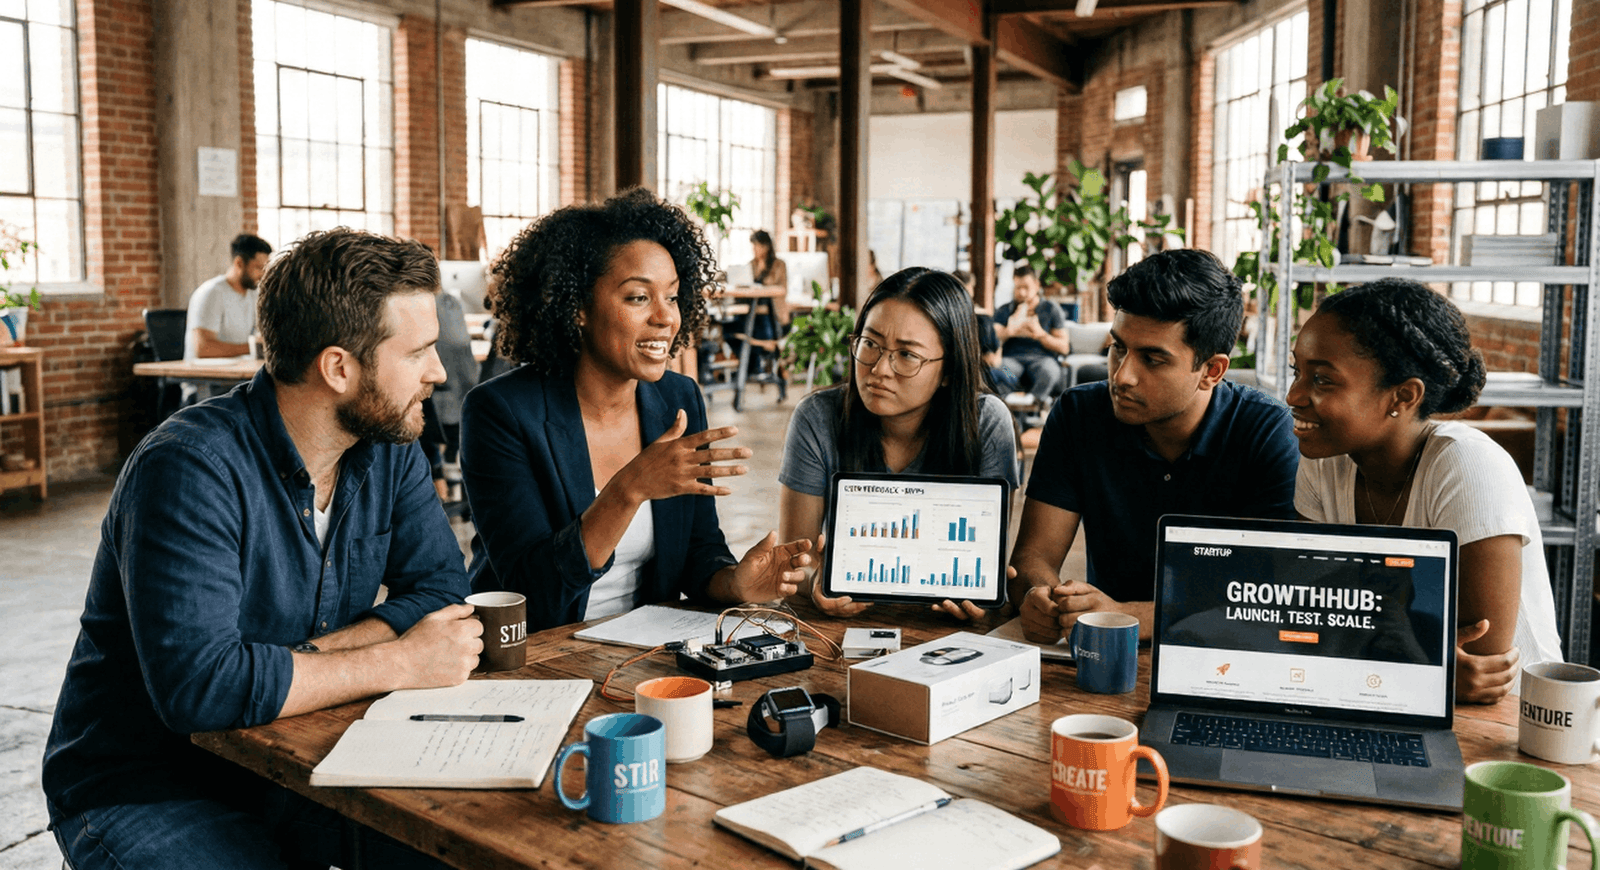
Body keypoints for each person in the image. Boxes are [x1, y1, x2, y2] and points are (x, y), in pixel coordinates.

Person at [43, 229, 481, 870]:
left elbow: (443, 591)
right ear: (338, 368)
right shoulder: (189, 468)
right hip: (151, 788)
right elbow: (201, 689)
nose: (439, 373)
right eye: (418, 352)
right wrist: (398, 663)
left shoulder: (388, 447)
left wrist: (299, 661)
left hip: (304, 758)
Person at [460, 188, 813, 631]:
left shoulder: (677, 400)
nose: (666, 317)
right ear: (578, 308)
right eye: (638, 298)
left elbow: (696, 552)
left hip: (641, 650)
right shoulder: (502, 412)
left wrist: (735, 583)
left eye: (673, 295)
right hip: (534, 657)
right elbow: (534, 592)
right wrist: (629, 488)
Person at [1287, 278, 1562, 703]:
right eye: (1297, 371)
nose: (1293, 395)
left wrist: (1362, 644)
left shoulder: (1467, 467)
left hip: (1513, 722)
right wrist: (1423, 667)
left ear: (1403, 396)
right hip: (1379, 695)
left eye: (1322, 380)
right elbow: (1309, 618)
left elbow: (1480, 670)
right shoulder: (1323, 462)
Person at [1012, 249, 1299, 643]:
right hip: (1103, 653)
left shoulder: (1267, 432)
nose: (1123, 376)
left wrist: (1130, 616)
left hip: (1224, 657)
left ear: (1211, 371)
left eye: (1152, 359)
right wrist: (1040, 596)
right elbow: (1034, 557)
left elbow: (1277, 600)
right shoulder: (1080, 414)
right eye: (1118, 348)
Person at [778, 267, 1019, 619]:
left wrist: (982, 594)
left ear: (950, 370)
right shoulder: (817, 418)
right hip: (847, 630)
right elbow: (795, 561)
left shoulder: (986, 423)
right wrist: (817, 583)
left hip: (949, 633)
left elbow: (984, 563)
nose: (878, 370)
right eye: (871, 344)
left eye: (906, 355)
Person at [182, 233, 273, 402]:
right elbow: (203, 349)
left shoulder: (253, 294)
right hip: (206, 387)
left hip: (237, 382)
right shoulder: (212, 293)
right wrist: (254, 347)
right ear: (239, 263)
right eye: (258, 267)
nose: (263, 274)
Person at [992, 264, 1072, 405]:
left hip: (1042, 360)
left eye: (1026, 287)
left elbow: (1064, 347)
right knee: (1001, 370)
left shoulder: (1051, 309)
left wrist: (1040, 334)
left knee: (1049, 372)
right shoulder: (1005, 310)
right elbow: (991, 341)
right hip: (1011, 361)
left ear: (1036, 285)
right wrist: (1009, 331)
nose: (1022, 293)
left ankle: (1033, 407)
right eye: (1018, 288)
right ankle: (1012, 407)